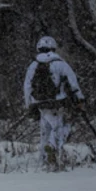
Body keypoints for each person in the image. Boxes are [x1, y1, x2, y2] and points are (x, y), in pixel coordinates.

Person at [23, 36, 85, 168]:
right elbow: (73, 83)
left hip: (40, 103)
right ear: (54, 47)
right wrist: (80, 99)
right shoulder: (61, 63)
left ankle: (43, 159)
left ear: (39, 48)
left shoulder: (33, 64)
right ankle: (53, 152)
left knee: (45, 130)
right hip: (57, 103)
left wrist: (29, 104)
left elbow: (27, 86)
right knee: (59, 127)